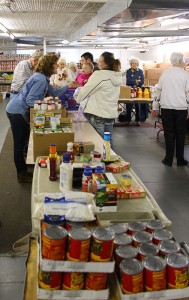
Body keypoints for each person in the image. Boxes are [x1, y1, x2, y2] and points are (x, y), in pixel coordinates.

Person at [6, 55, 71, 183]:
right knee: (19, 144)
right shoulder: (40, 79)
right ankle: (21, 173)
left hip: (19, 110)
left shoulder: (44, 78)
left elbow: (55, 93)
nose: (57, 66)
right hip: (16, 111)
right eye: (55, 64)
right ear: (48, 66)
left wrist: (68, 85)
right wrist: (44, 102)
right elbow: (31, 100)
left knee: (24, 140)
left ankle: (23, 170)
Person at [76, 51, 122, 149]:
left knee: (98, 145)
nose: (98, 63)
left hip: (98, 115)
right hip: (110, 114)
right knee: (108, 143)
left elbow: (85, 91)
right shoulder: (116, 75)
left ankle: (102, 164)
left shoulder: (99, 75)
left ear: (105, 63)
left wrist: (78, 99)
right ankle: (111, 163)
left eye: (100, 61)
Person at [154, 52, 189, 167]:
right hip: (181, 108)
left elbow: (158, 91)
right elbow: (188, 94)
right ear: (179, 61)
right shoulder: (186, 75)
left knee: (168, 133)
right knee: (180, 133)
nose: (184, 62)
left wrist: (154, 107)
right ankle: (180, 160)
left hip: (166, 107)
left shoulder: (165, 74)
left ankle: (168, 159)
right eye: (183, 60)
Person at [125, 58, 144, 126]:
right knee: (128, 105)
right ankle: (128, 119)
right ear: (131, 64)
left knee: (138, 105)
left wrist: (134, 81)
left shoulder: (140, 71)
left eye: (135, 63)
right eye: (133, 63)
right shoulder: (128, 71)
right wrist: (136, 81)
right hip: (129, 90)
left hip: (138, 90)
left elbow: (142, 81)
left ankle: (138, 120)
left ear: (137, 64)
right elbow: (128, 81)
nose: (134, 65)